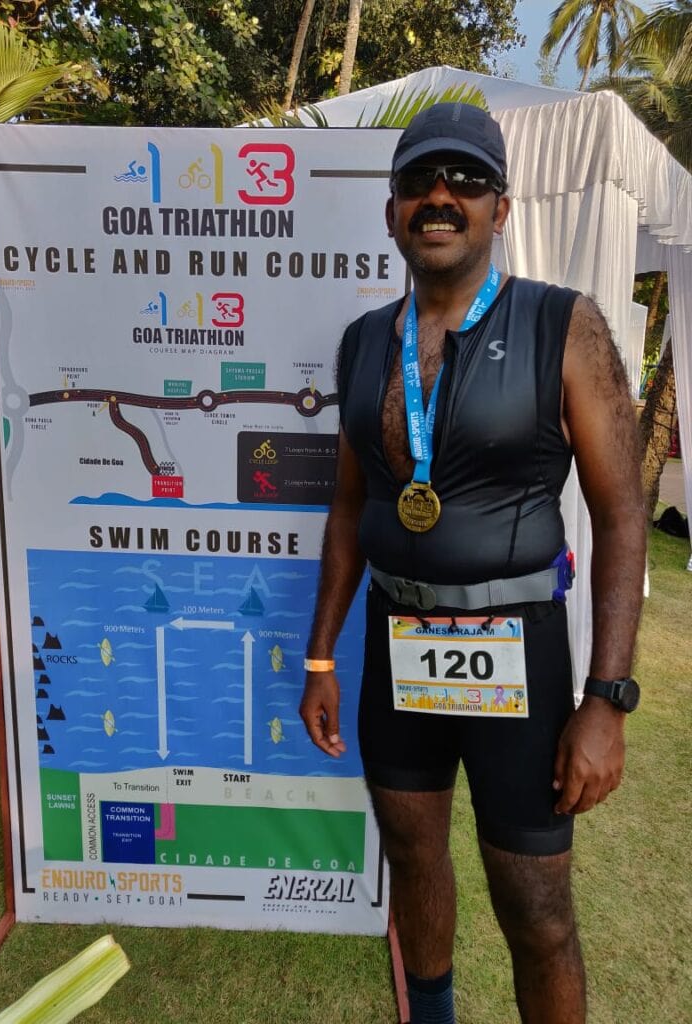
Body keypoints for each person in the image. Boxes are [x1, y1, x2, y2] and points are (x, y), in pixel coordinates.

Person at [299, 103, 646, 1024]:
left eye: (466, 180)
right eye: (419, 181)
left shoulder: (563, 324)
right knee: (414, 862)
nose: (441, 196)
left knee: (536, 910)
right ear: (392, 211)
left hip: (518, 652)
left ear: (501, 206)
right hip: (398, 644)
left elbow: (622, 516)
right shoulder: (364, 342)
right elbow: (349, 507)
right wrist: (322, 654)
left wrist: (607, 700)